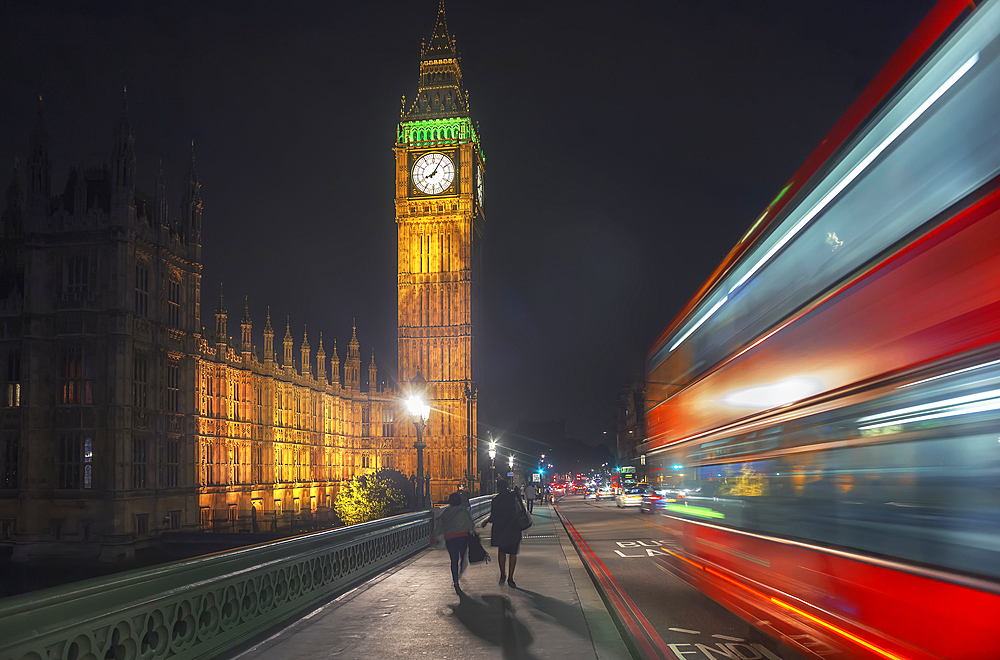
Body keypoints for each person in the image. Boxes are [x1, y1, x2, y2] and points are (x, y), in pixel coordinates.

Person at [481, 478, 523, 588]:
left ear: (498, 488)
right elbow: (521, 509)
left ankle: (502, 573)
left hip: (501, 529)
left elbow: (493, 515)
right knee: (513, 553)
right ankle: (511, 578)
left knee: (502, 552)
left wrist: (486, 521)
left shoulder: (496, 500)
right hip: (514, 527)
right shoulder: (513, 497)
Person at [441, 492, 476, 592]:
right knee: (462, 556)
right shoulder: (463, 511)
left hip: (450, 538)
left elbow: (441, 524)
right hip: (462, 538)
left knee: (453, 559)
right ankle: (461, 568)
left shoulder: (446, 512)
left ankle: (455, 580)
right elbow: (470, 525)